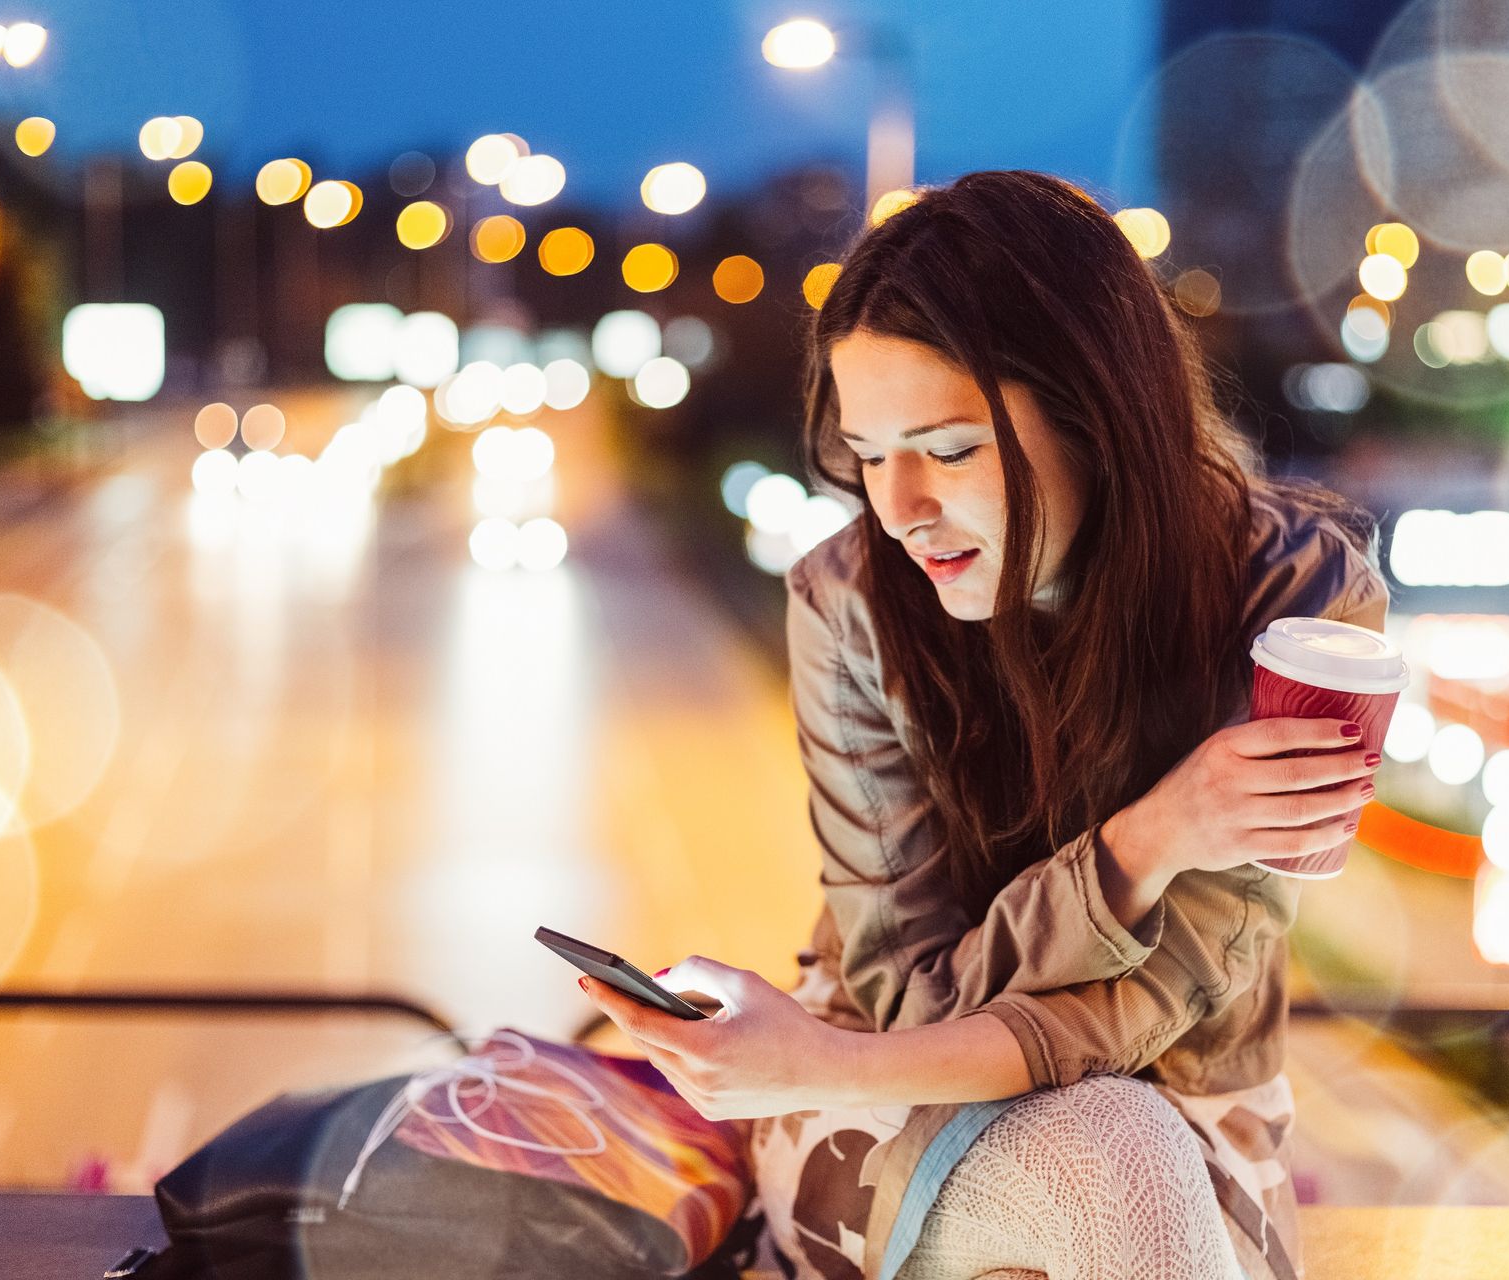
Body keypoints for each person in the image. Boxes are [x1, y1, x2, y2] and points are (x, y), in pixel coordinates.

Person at [579, 170, 1390, 1280]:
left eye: (948, 448)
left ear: (1096, 414)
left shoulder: (1294, 598)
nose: (899, 507)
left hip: (1184, 1103)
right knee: (1109, 1156)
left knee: (1121, 1146)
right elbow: (912, 996)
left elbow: (1168, 1001)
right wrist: (1151, 839)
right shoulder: (849, 602)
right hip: (882, 1089)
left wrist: (806, 1058)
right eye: (868, 455)